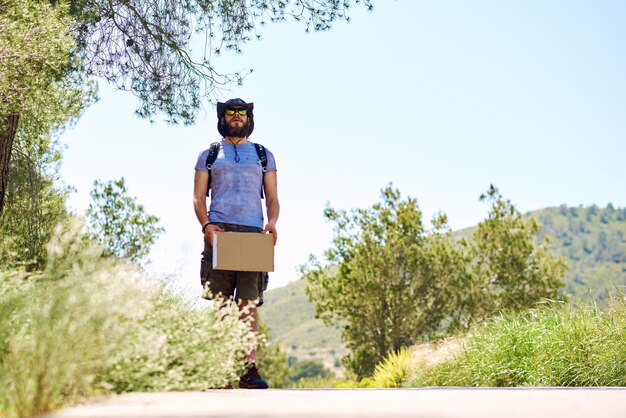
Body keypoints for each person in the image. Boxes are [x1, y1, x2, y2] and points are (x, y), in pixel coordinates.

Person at [193, 98, 279, 389]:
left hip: (253, 232)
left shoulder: (263, 155)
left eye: (242, 112)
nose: (237, 116)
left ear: (249, 117)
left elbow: (273, 198)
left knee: (248, 304)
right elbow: (197, 197)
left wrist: (272, 223)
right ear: (223, 117)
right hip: (220, 232)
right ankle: (220, 370)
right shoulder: (209, 154)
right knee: (221, 305)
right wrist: (206, 226)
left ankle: (247, 369)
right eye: (231, 112)